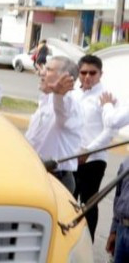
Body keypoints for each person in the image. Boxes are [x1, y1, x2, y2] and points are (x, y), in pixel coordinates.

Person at [72, 55, 119, 242]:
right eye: (83, 72)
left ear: (100, 74)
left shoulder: (106, 97)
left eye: (92, 73)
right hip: (70, 158)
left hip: (94, 159)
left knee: (89, 203)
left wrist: (88, 150)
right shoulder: (73, 94)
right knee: (67, 200)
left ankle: (87, 243)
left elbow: (111, 130)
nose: (87, 77)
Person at [25, 55, 82, 192]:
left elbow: (62, 112)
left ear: (65, 78)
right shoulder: (46, 100)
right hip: (36, 175)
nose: (42, 72)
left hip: (56, 181)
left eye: (49, 70)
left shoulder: (68, 104)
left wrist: (59, 95)